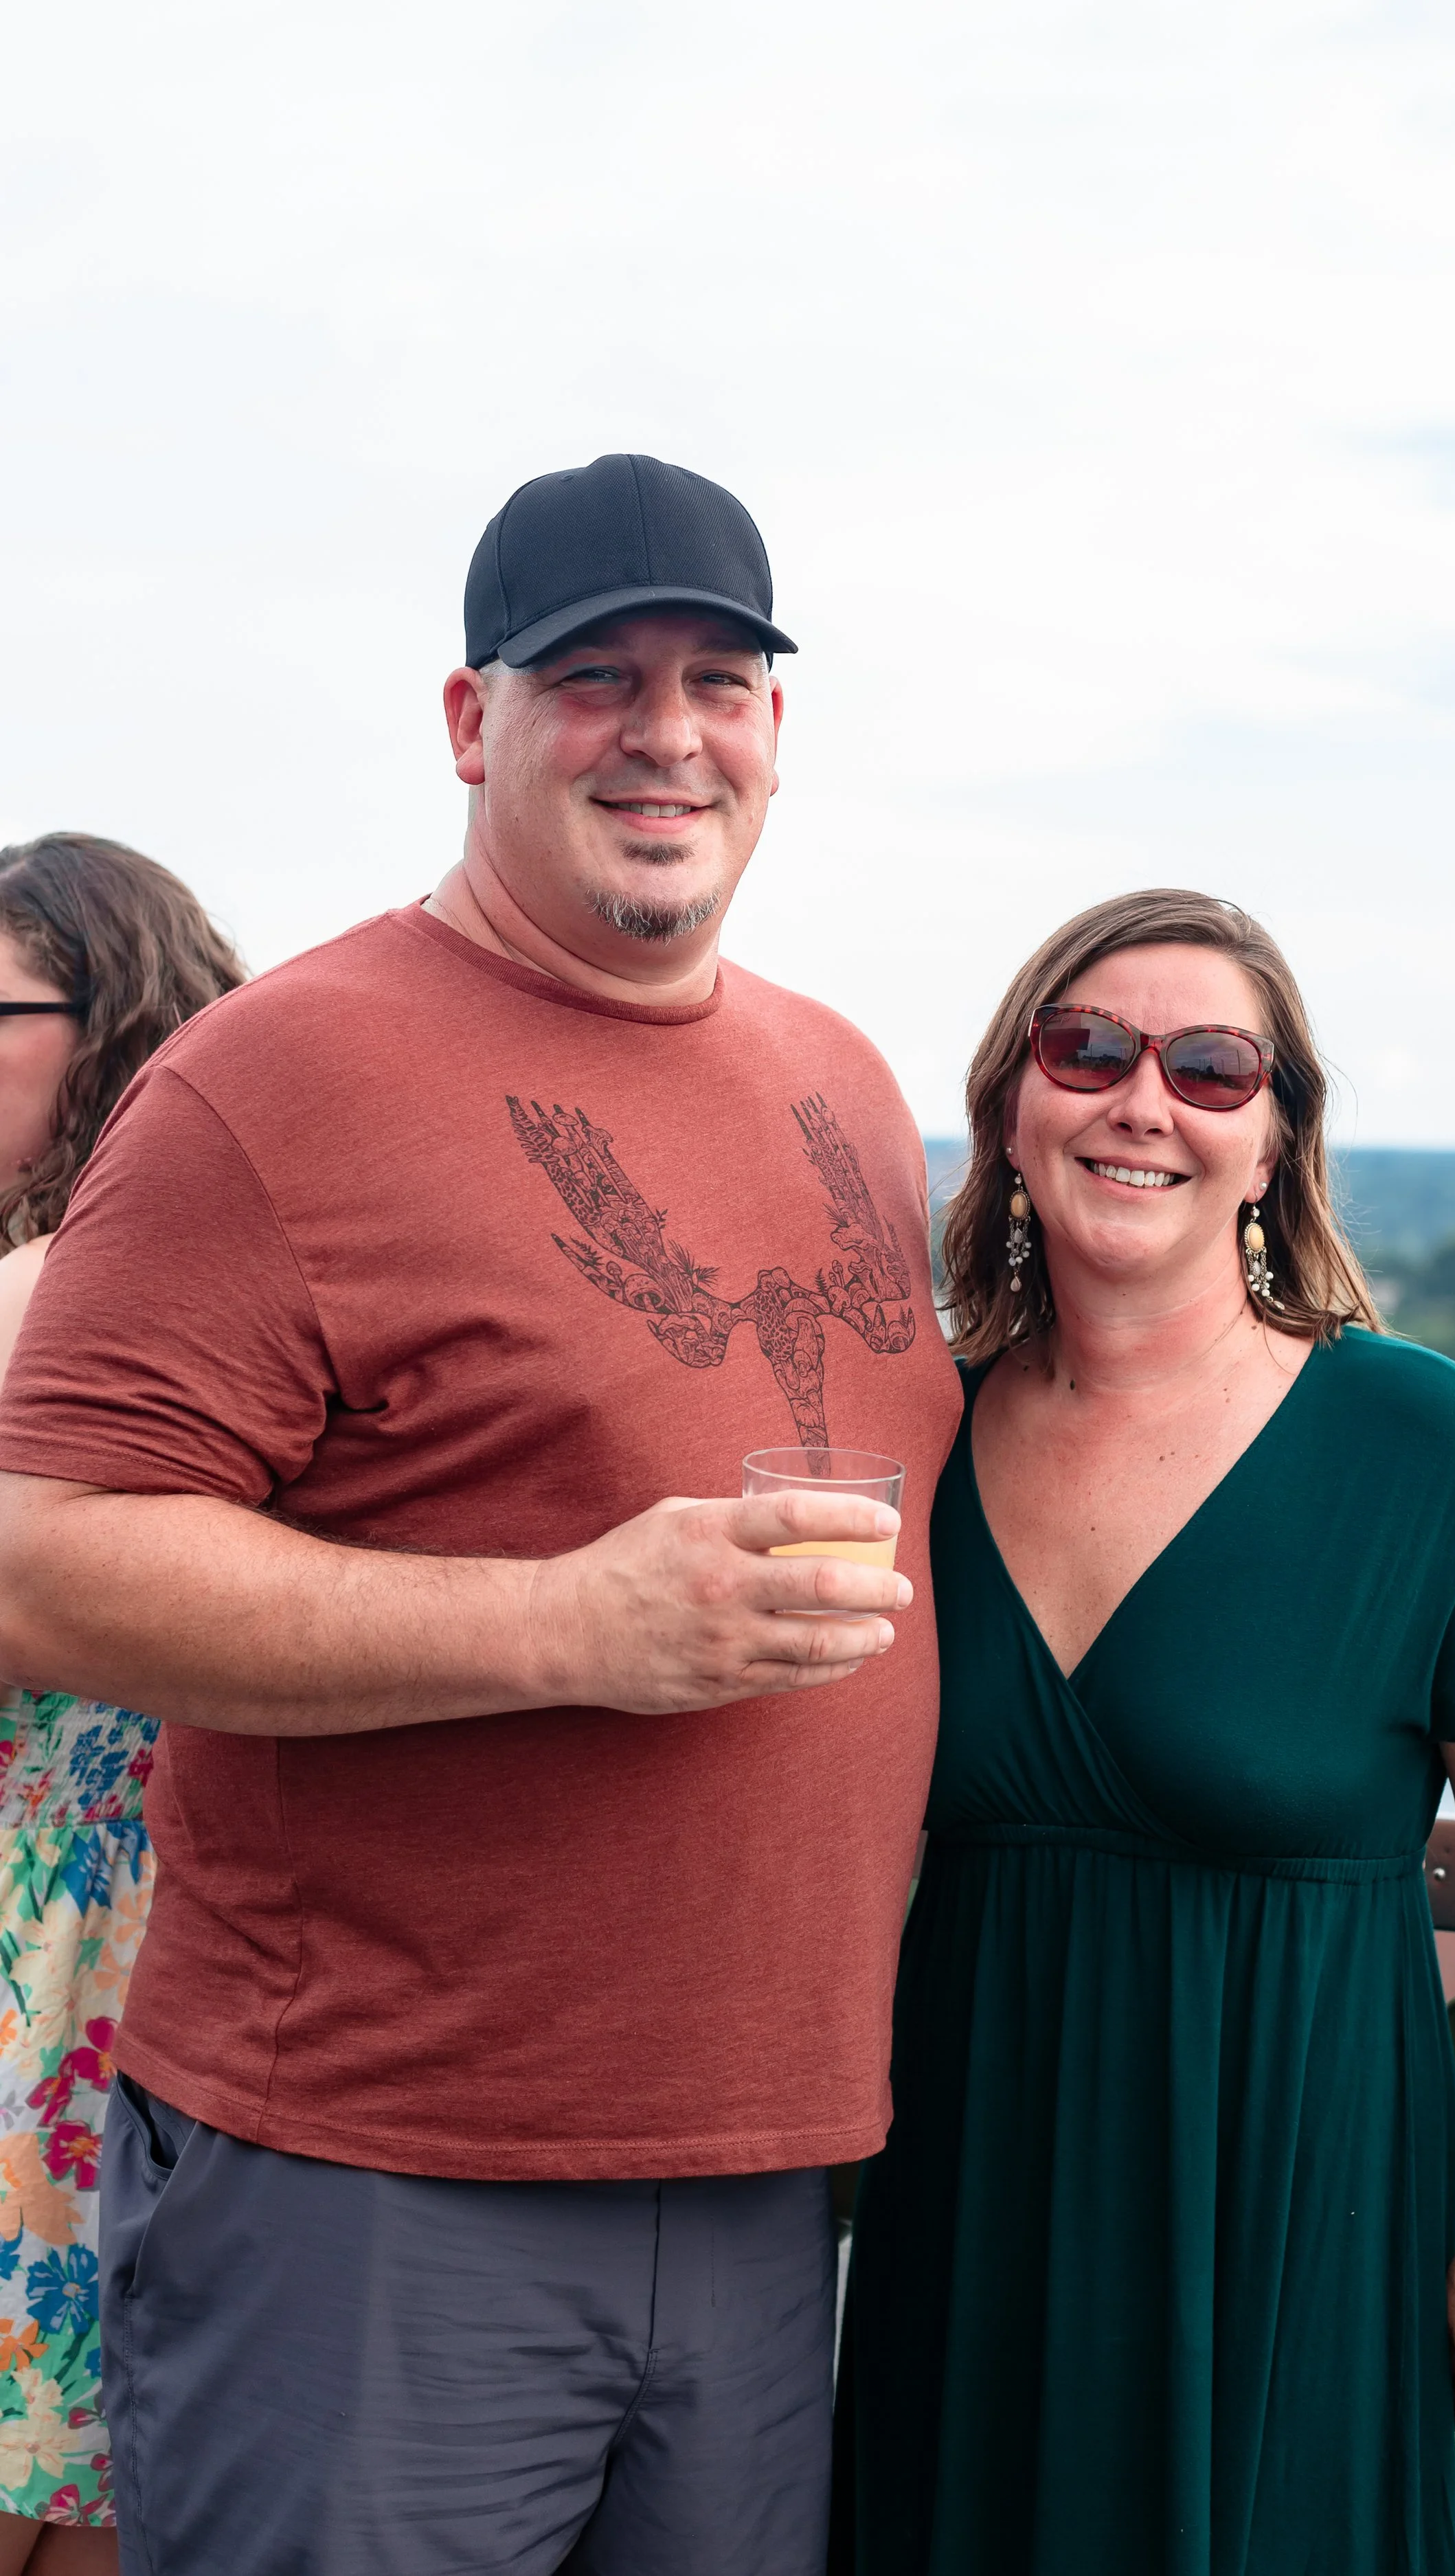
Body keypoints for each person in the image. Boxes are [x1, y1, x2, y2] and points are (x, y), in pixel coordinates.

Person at [0, 455, 963, 2576]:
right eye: (595, 676)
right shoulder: (271, 1076)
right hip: (371, 2178)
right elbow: (43, 1559)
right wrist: (566, 1624)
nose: (666, 732)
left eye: (718, 680)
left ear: (776, 731)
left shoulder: (840, 1080)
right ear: (471, 720)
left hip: (760, 2172)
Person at [837, 889, 1455, 2576]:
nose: (1141, 1101)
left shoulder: (1416, 1442)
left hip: (1294, 2212)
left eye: (1207, 1069)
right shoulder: (916, 1436)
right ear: (1011, 1110)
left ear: (1271, 1145)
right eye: (1086, 1050)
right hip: (973, 2210)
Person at [0, 834, 244, 2573]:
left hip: (58, 1967)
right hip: (179, 1983)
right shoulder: (237, 1296)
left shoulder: (50, 1295)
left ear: (111, 1028)